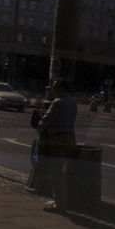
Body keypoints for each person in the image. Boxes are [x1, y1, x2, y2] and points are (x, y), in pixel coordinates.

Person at [32, 79, 77, 212]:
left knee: (55, 173)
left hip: (57, 140)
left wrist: (39, 122)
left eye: (54, 88)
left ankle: (59, 204)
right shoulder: (73, 102)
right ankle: (59, 200)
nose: (52, 90)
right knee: (61, 170)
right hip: (69, 139)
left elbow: (45, 122)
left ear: (61, 89)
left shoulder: (57, 102)